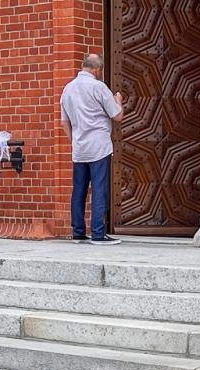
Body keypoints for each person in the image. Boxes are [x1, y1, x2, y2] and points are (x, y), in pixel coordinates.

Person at [60, 53, 124, 245]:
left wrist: (75, 141)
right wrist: (118, 99)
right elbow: (117, 116)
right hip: (99, 146)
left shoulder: (68, 89)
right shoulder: (98, 87)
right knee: (99, 188)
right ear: (97, 70)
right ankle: (98, 232)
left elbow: (64, 122)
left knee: (79, 189)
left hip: (79, 147)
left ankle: (78, 232)